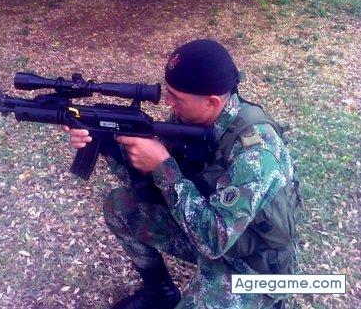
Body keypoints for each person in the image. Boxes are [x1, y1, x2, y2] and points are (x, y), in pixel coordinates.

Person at [65, 39, 301, 309]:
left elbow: (213, 241)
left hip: (255, 266)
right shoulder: (188, 120)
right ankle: (159, 292)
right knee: (120, 206)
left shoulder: (256, 153)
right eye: (168, 92)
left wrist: (164, 167)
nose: (168, 102)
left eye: (177, 97)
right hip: (207, 227)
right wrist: (107, 143)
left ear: (212, 102)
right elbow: (149, 187)